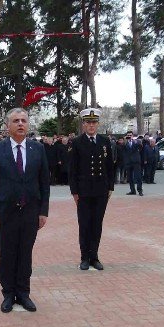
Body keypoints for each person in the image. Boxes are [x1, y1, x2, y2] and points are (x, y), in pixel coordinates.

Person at [0, 107, 50, 313]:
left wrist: (43, 211)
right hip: (5, 213)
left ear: (28, 124)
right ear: (7, 125)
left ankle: (23, 293)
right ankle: (8, 294)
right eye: (16, 121)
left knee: (25, 253)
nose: (20, 124)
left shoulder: (37, 149)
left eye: (23, 120)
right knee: (7, 254)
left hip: (30, 211)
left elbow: (44, 183)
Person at [68, 108, 114, 271]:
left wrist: (110, 187)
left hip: (101, 191)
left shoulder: (104, 141)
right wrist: (74, 192)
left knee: (97, 224)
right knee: (85, 224)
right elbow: (72, 170)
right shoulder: (77, 142)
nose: (91, 125)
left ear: (98, 124)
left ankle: (94, 256)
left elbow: (110, 166)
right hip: (84, 192)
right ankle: (84, 258)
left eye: (94, 122)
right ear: (84, 124)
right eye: (88, 122)